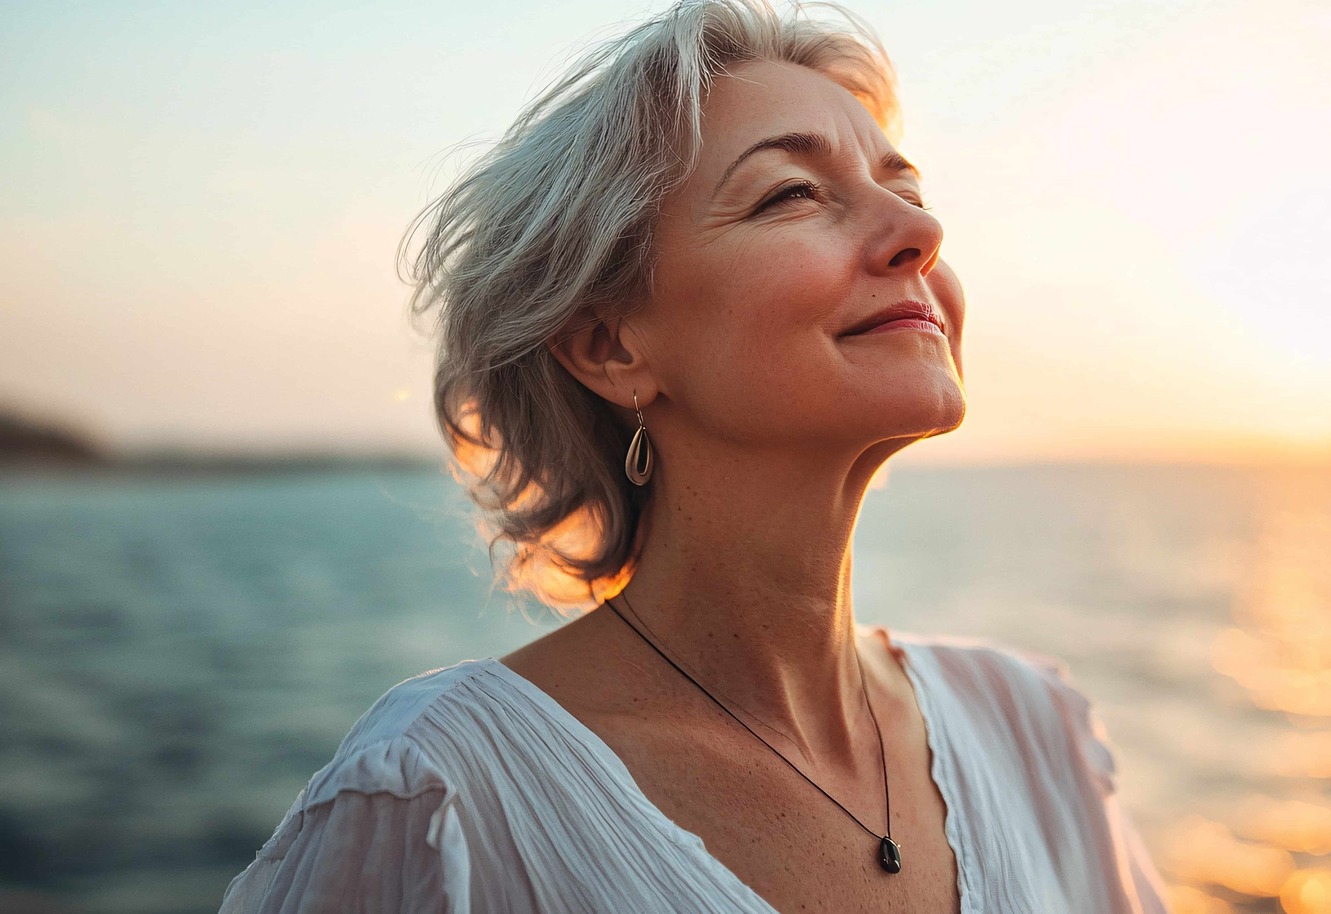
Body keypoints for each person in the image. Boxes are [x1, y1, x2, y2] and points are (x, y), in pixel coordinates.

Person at [220, 1, 1170, 911]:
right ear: (610, 345)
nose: (921, 233)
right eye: (793, 193)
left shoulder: (1030, 727)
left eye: (905, 191)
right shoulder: (443, 799)